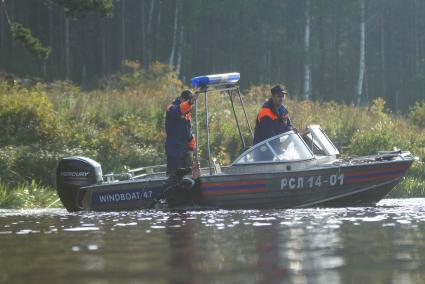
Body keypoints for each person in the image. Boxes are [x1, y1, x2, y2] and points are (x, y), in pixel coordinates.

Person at [165, 89, 198, 176]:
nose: (190, 106)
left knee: (189, 176)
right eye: (188, 102)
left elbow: (190, 134)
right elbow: (178, 110)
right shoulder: (172, 109)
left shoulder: (187, 114)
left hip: (185, 151)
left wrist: (191, 149)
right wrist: (189, 103)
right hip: (174, 151)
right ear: (182, 99)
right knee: (173, 177)